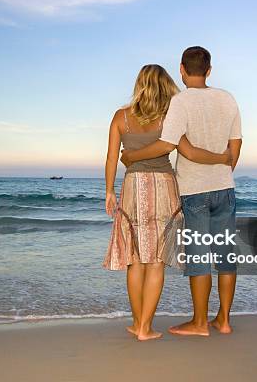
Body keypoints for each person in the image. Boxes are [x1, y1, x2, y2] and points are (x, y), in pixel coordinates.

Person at [103, 64, 232, 341]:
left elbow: (112, 157)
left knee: (134, 259)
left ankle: (138, 324)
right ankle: (145, 328)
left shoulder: (120, 117)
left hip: (132, 186)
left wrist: (109, 191)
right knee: (157, 259)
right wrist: (222, 158)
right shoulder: (168, 116)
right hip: (163, 184)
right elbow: (188, 151)